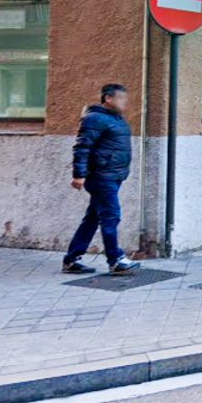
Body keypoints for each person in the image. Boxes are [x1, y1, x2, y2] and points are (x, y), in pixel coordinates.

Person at [65, 83, 141, 276]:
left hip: (113, 176)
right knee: (111, 215)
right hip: (101, 176)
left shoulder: (115, 119)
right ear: (108, 98)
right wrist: (79, 175)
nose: (125, 102)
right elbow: (82, 147)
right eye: (121, 98)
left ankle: (72, 259)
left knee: (92, 218)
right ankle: (115, 260)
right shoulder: (95, 119)